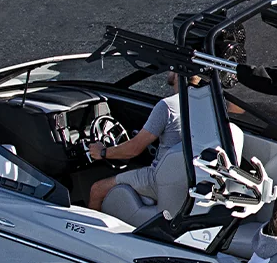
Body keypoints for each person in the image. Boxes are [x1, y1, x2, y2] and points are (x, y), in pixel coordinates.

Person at [83, 69, 250, 212]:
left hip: (158, 179)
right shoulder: (214, 103)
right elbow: (242, 109)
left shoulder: (167, 106)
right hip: (195, 177)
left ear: (178, 73)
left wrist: (102, 152)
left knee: (97, 190)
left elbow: (133, 149)